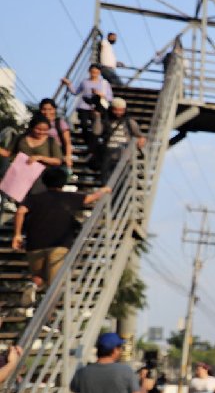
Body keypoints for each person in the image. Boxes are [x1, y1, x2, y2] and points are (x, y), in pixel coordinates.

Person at [13, 167, 110, 301]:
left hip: (34, 244)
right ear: (63, 183)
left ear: (44, 182)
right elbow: (91, 197)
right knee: (55, 287)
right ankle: (48, 319)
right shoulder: (70, 198)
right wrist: (103, 190)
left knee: (39, 276)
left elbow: (20, 211)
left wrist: (17, 235)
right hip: (59, 245)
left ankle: (32, 285)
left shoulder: (34, 198)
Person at [92, 97, 146, 182]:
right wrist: (97, 118)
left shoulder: (129, 122)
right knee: (106, 178)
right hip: (108, 153)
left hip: (123, 153)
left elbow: (140, 135)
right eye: (116, 110)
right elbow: (96, 132)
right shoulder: (106, 121)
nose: (118, 113)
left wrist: (141, 141)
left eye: (121, 110)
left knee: (122, 178)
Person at [38, 99, 75, 177]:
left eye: (50, 109)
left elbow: (67, 142)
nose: (47, 112)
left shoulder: (59, 123)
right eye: (44, 109)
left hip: (57, 155)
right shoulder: (36, 123)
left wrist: (68, 157)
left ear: (54, 110)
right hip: (41, 154)